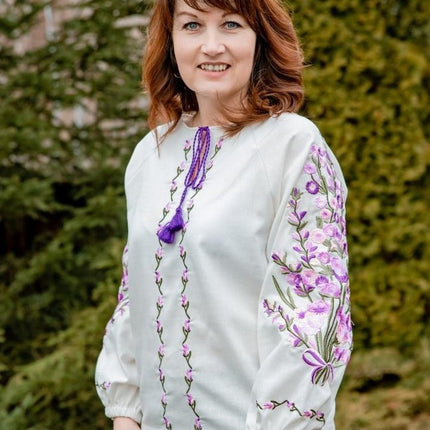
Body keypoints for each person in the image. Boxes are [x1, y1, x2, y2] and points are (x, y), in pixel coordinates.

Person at [95, 0, 352, 429]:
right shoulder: (150, 154)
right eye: (192, 25)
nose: (211, 46)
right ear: (171, 39)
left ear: (260, 39)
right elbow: (132, 295)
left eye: (231, 24)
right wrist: (125, 413)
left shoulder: (292, 146)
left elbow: (313, 319)